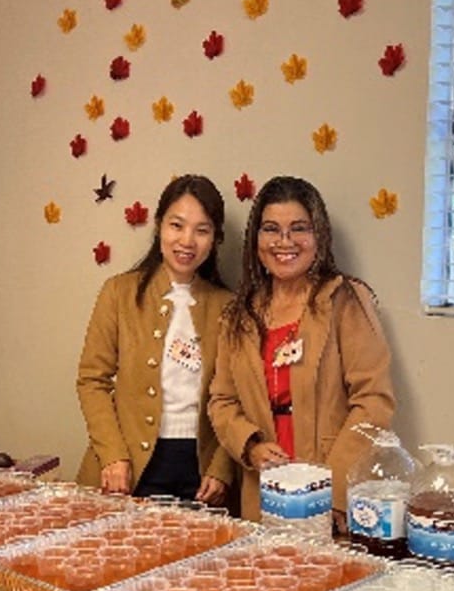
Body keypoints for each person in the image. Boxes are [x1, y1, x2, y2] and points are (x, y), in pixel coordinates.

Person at [208, 175, 396, 526]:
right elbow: (222, 401)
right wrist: (250, 446)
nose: (284, 242)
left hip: (332, 495)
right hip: (263, 494)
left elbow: (374, 401)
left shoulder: (346, 300)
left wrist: (329, 489)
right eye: (271, 229)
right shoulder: (239, 314)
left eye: (299, 229)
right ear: (256, 239)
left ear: (318, 236)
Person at [75, 174, 235, 504]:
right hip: (129, 467)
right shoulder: (119, 292)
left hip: (201, 473)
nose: (187, 241)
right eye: (177, 225)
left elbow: (239, 396)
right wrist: (112, 454)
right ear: (159, 225)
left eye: (202, 230)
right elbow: (92, 380)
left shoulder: (229, 307)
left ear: (215, 238)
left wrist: (222, 468)